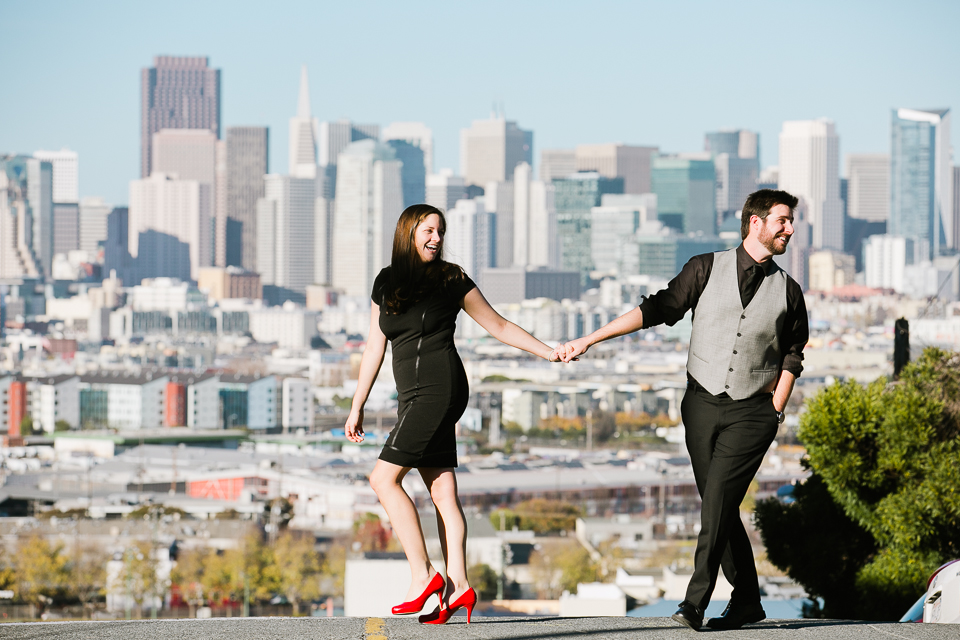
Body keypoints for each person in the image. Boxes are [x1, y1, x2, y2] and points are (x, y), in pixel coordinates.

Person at [559, 190, 808, 631]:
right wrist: (589, 339)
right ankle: (748, 600)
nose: (790, 229)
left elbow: (793, 353)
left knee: (715, 503)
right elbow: (658, 309)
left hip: (753, 413)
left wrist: (776, 408)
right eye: (783, 221)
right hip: (700, 404)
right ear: (756, 223)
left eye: (791, 222)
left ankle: (693, 603)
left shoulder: (788, 290)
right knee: (720, 506)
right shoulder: (705, 267)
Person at [345, 204, 561, 624]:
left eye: (441, 232)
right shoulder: (386, 283)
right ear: (409, 233)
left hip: (439, 390)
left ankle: (424, 575)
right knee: (442, 493)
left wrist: (548, 352)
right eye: (429, 231)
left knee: (381, 479)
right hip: (412, 395)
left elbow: (497, 326)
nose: (437, 239)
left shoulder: (451, 278)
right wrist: (357, 405)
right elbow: (374, 347)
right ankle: (459, 586)